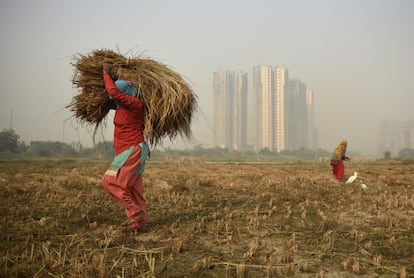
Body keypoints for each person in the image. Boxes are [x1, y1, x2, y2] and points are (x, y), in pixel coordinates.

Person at [101, 62, 149, 233]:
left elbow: (112, 91)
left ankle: (134, 212)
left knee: (110, 182)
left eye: (118, 95)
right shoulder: (123, 106)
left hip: (132, 149)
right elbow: (113, 95)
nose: (114, 99)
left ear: (124, 93)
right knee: (134, 189)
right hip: (132, 150)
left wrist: (106, 73)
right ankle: (138, 224)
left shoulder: (135, 104)